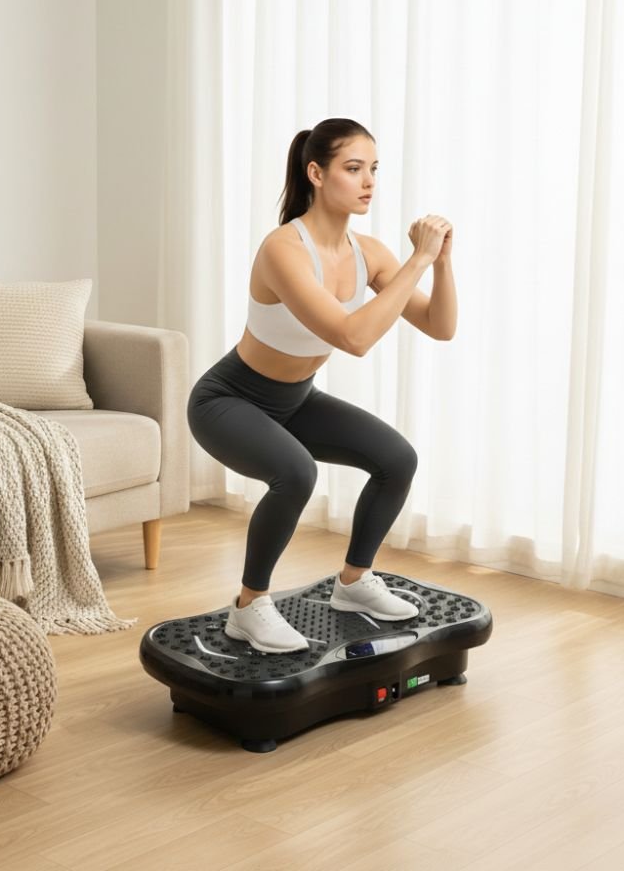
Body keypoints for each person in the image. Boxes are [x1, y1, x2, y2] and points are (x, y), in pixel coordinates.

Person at [186, 118, 456, 654]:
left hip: (295, 399)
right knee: (295, 473)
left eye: (373, 169)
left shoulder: (370, 253)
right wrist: (418, 259)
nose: (368, 181)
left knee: (396, 459)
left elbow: (440, 327)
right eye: (353, 168)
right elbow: (354, 338)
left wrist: (441, 264)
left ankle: (354, 583)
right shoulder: (283, 249)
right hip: (229, 400)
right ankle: (248, 607)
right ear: (316, 172)